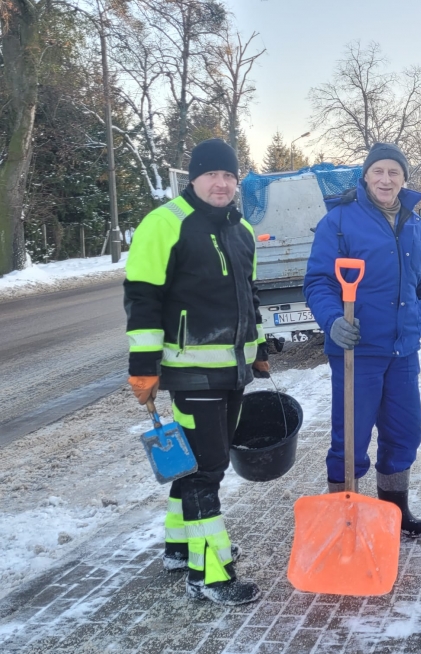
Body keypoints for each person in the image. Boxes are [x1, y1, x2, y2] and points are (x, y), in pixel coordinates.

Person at [124, 138, 268, 606]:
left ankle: (179, 546)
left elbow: (249, 295)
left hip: (233, 369)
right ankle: (210, 573)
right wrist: (143, 368)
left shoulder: (242, 228)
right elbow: (142, 299)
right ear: (193, 178)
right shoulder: (164, 224)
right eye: (213, 175)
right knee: (208, 470)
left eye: (230, 176)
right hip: (189, 371)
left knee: (195, 464)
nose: (222, 183)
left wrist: (259, 347)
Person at [304, 142, 421, 538]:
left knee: (404, 433)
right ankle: (343, 519)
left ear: (404, 179)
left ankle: (394, 512)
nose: (386, 179)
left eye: (394, 173)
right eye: (379, 171)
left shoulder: (413, 221)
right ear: (365, 176)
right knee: (350, 441)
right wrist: (332, 320)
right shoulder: (339, 221)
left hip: (403, 350)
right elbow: (318, 281)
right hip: (356, 349)